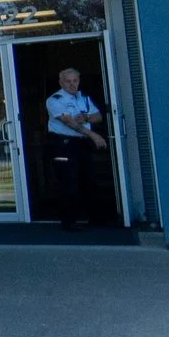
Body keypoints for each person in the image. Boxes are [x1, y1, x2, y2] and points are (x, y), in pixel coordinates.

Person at [44, 67, 108, 230]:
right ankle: (69, 222)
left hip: (82, 144)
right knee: (68, 181)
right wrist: (94, 135)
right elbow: (69, 123)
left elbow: (98, 116)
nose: (72, 85)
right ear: (61, 82)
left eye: (75, 81)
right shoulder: (55, 100)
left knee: (88, 180)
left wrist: (86, 117)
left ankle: (95, 219)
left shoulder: (83, 98)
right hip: (64, 144)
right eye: (68, 81)